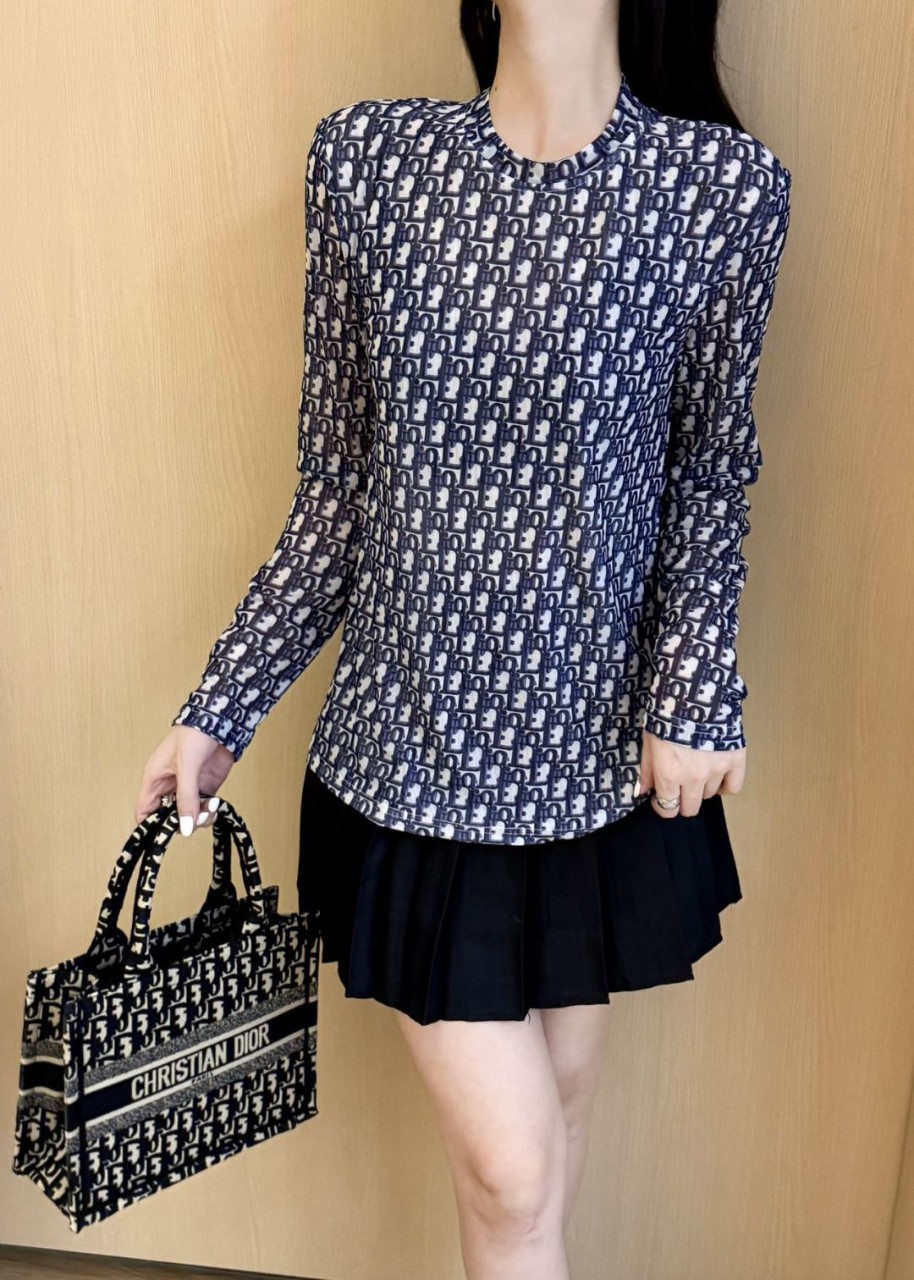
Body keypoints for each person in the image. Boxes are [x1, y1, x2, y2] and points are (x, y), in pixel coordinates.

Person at [136, 0, 792, 1274]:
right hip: (411, 767)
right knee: (514, 1171)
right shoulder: (370, 161)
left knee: (546, 1148)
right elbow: (336, 490)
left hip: (600, 771)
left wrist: (694, 688)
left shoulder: (719, 187)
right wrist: (222, 704)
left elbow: (708, 476)